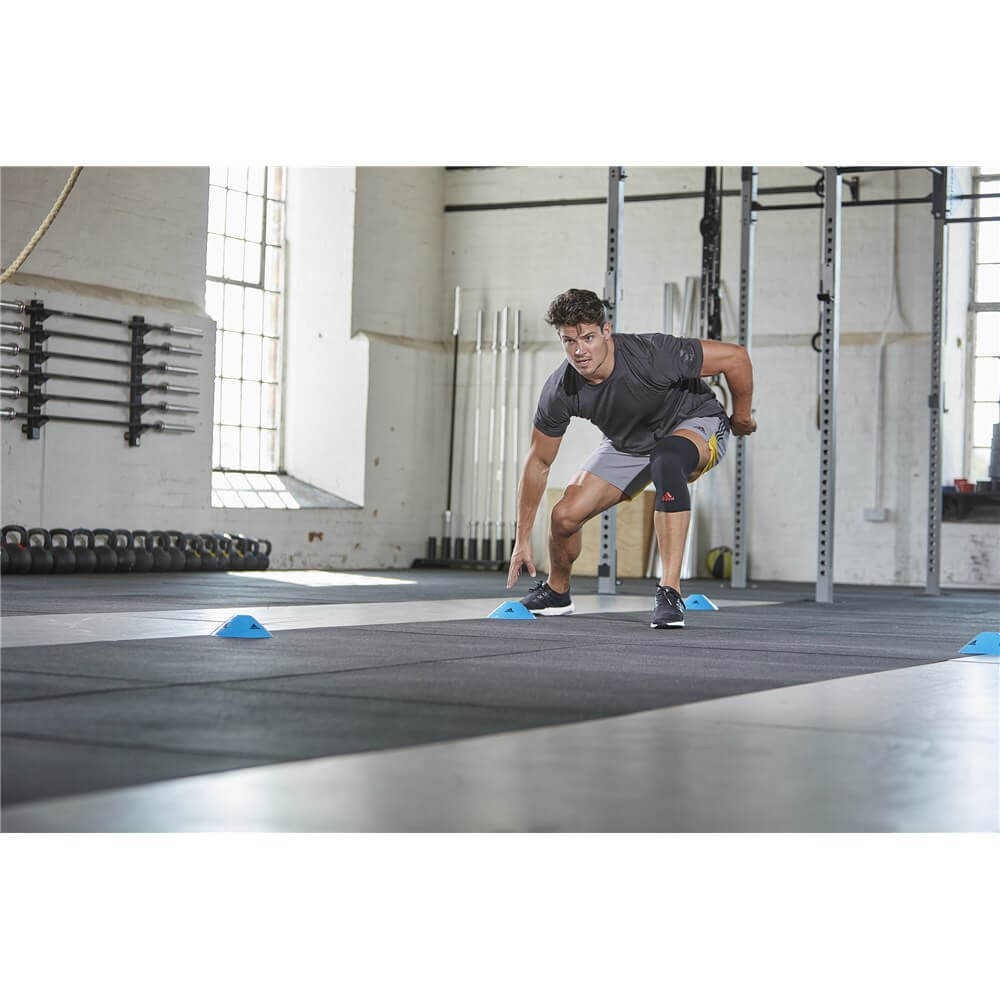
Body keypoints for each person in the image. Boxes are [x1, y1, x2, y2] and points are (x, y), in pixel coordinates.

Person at [505, 287, 757, 628]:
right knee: (564, 516)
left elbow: (735, 358)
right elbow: (538, 462)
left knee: (667, 458)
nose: (579, 351)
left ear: (607, 331)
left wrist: (741, 417)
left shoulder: (652, 353)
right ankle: (557, 592)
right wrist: (522, 538)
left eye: (589, 338)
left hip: (695, 423)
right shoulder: (560, 389)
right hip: (630, 443)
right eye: (569, 341)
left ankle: (669, 591)